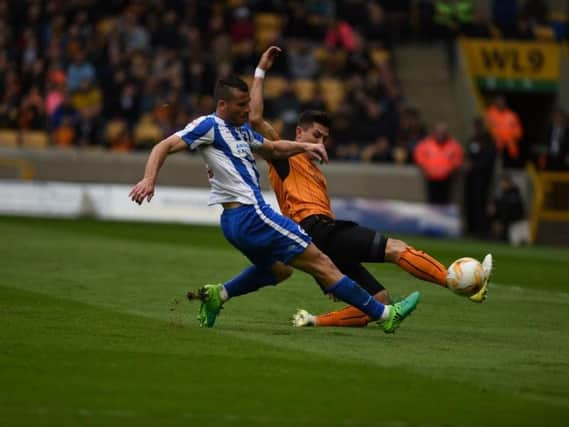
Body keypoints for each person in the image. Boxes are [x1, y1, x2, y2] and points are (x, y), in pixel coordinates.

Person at [129, 74, 420, 332]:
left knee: (280, 270)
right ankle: (385, 314)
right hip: (251, 214)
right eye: (241, 104)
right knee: (321, 262)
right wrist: (148, 179)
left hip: (235, 224)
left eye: (247, 103)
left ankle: (220, 295)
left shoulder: (241, 131)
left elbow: (272, 147)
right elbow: (162, 145)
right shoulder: (209, 125)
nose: (247, 109)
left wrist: (305, 146)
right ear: (222, 105)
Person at [248, 46, 492, 328]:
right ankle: (455, 281)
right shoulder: (284, 157)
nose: (320, 143)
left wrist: (323, 270)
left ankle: (312, 321)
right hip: (317, 230)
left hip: (316, 242)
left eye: (325, 138)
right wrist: (261, 70)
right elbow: (254, 119)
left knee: (381, 300)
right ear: (299, 133)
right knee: (396, 249)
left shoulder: (314, 170)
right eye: (315, 136)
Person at [414, 122, 464, 205]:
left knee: (445, 203)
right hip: (431, 178)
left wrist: (452, 168)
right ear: (434, 133)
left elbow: (458, 158)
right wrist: (424, 167)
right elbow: (419, 155)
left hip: (446, 179)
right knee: (432, 203)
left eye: (442, 133)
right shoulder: (426, 143)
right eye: (438, 132)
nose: (440, 135)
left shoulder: (453, 145)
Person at [464, 118, 496, 237]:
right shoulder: (472, 140)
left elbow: (488, 161)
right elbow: (468, 154)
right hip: (471, 178)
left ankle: (481, 229)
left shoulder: (488, 142)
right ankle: (471, 228)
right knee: (470, 203)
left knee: (481, 203)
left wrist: (474, 166)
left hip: (483, 179)